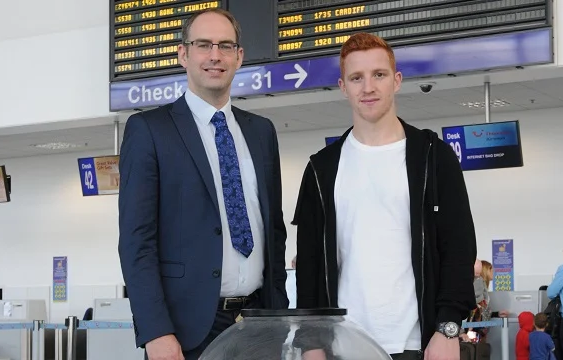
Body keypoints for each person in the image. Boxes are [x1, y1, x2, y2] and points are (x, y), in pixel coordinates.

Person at [292, 32, 477, 360]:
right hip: (343, 345)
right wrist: (311, 342)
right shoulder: (321, 169)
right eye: (356, 78)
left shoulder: (434, 157)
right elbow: (309, 264)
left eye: (379, 74)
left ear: (397, 80)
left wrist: (448, 328)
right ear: (343, 86)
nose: (368, 87)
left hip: (418, 345)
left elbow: (459, 249)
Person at [118, 8, 289, 360]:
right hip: (186, 331)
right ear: (183, 54)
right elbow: (138, 244)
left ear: (239, 57)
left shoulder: (261, 132)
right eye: (203, 45)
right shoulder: (149, 131)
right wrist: (156, 332)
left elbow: (273, 232)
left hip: (260, 324)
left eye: (226, 46)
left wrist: (280, 317)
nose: (215, 55)